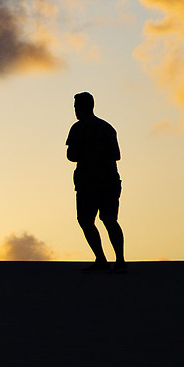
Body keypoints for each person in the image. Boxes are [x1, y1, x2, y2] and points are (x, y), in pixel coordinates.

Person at [66, 92, 124, 264]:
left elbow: (71, 155)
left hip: (89, 182)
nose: (75, 110)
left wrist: (87, 152)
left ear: (81, 107)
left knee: (86, 220)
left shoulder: (78, 128)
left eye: (76, 107)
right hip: (108, 181)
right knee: (109, 219)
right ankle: (118, 260)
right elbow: (116, 154)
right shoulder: (107, 127)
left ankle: (102, 258)